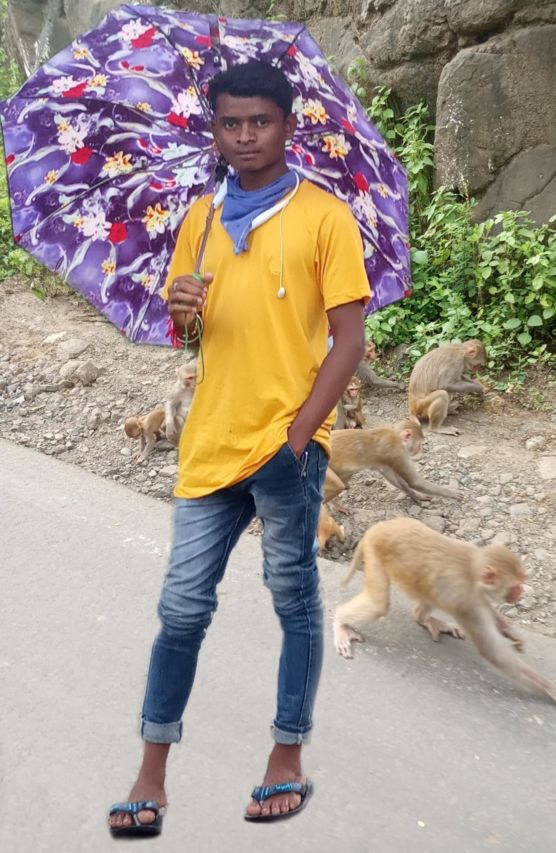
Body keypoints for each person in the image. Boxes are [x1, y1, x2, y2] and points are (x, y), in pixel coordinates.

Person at [108, 60, 370, 835]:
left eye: (261, 121)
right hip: (210, 442)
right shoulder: (200, 219)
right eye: (231, 123)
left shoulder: (325, 217)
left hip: (287, 448)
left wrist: (299, 436)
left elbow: (350, 341)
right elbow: (190, 336)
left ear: (287, 126)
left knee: (294, 600)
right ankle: (151, 773)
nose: (246, 135)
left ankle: (286, 755)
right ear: (215, 131)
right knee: (181, 608)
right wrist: (182, 307)